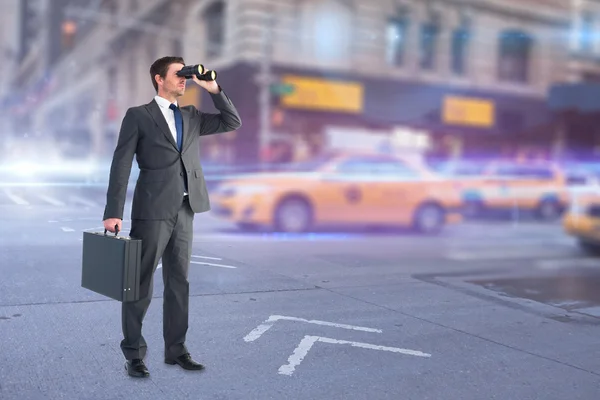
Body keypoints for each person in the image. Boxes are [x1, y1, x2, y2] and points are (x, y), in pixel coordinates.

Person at [102, 56, 242, 378]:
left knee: (179, 283)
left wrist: (213, 88)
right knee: (139, 284)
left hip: (186, 209)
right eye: (179, 75)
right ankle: (135, 354)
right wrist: (113, 211)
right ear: (158, 79)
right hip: (151, 211)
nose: (184, 79)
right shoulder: (138, 116)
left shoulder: (191, 116)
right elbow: (121, 164)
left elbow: (232, 121)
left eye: (186, 75)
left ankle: (176, 350)